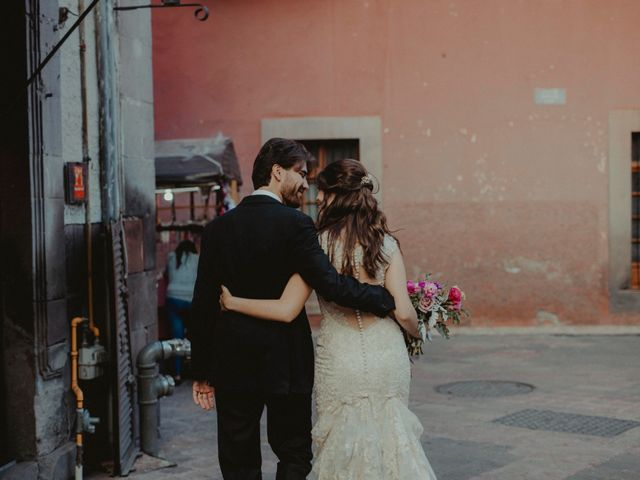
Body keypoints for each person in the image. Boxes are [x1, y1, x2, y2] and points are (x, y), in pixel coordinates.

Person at [189, 139, 396, 480]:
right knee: (294, 452)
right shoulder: (296, 224)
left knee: (237, 457)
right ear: (277, 171)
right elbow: (330, 283)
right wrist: (384, 298)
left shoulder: (216, 230)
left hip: (232, 361)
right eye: (301, 174)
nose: (305, 183)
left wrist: (201, 371)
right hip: (284, 361)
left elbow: (203, 303)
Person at [220, 159, 437, 479]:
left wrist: (233, 302)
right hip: (386, 354)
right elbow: (404, 312)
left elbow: (286, 309)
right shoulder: (385, 243)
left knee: (341, 444)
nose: (318, 198)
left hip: (340, 359)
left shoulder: (317, 246)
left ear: (336, 196)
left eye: (322, 191)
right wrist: (416, 334)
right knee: (391, 439)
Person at [165, 239, 199, 384]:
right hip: (191, 299)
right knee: (195, 335)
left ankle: (177, 374)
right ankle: (196, 372)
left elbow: (166, 274)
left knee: (176, 338)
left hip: (173, 298)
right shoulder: (197, 259)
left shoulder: (171, 257)